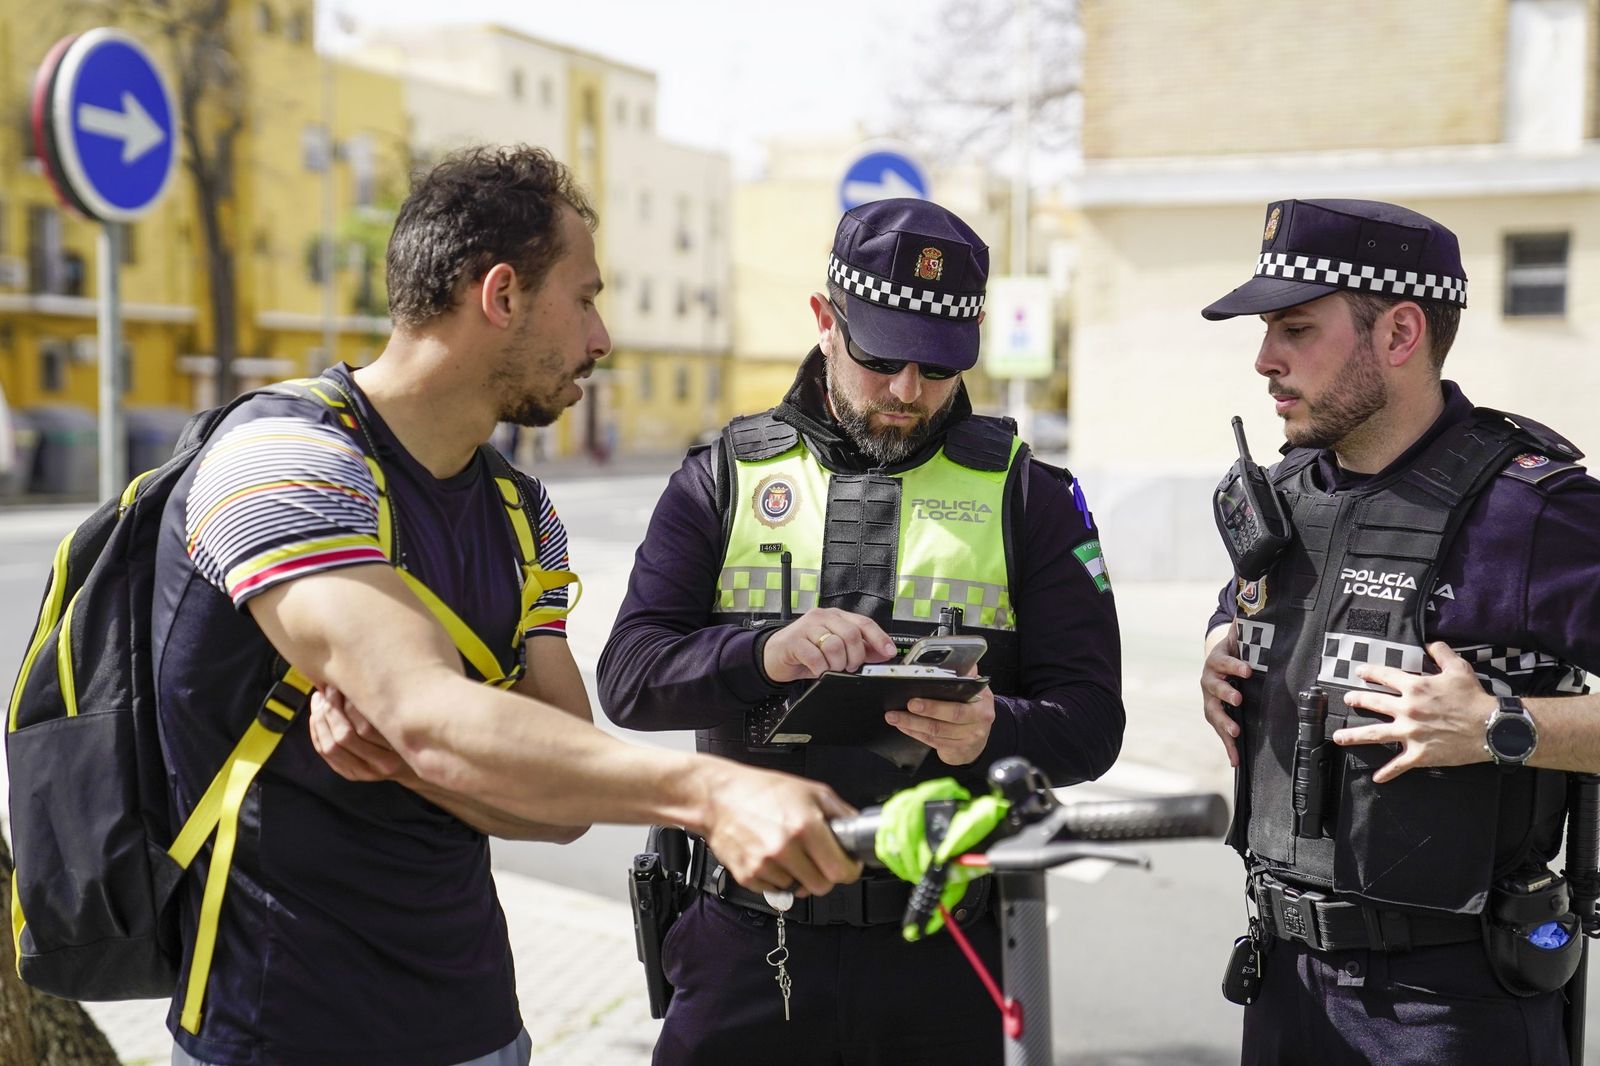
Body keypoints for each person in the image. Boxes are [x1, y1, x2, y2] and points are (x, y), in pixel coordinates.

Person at [151, 145, 859, 1066]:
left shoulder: (522, 513)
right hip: (275, 1038)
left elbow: (560, 807)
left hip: (483, 1032)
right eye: (585, 298)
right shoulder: (282, 461)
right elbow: (425, 708)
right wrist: (713, 791)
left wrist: (412, 765)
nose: (601, 339)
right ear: (502, 295)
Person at [598, 197, 1125, 1065]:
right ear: (824, 322)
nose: (908, 392)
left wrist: (995, 730)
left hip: (943, 954)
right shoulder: (724, 476)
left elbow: (1093, 725)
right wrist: (763, 653)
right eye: (881, 358)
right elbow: (628, 679)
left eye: (939, 365)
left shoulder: (1032, 496)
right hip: (748, 946)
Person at [1196, 198, 1600, 1065]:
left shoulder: (1531, 514)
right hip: (1281, 982)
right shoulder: (1286, 496)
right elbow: (1245, 614)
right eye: (1267, 331)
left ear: (1401, 333)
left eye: (1297, 329)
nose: (1265, 360)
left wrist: (1503, 726)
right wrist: (1216, 652)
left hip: (1448, 1009)